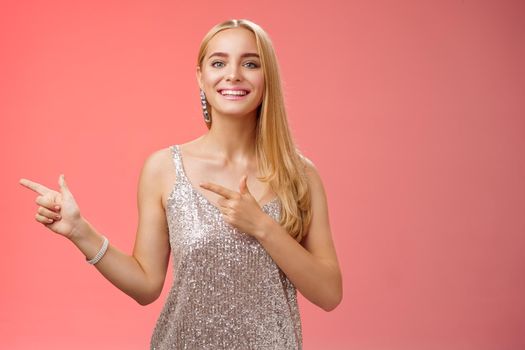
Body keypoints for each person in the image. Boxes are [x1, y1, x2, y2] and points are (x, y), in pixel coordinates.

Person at [19, 18, 342, 349]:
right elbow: (146, 285)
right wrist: (79, 231)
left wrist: (262, 227)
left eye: (250, 63)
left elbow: (330, 293)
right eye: (219, 62)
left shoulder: (299, 175)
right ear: (201, 77)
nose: (233, 74)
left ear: (267, 77)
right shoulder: (164, 169)